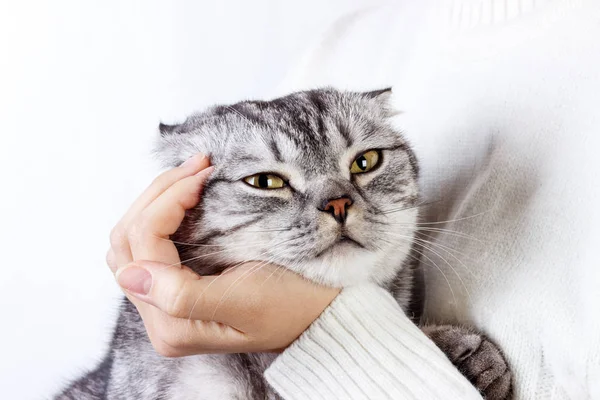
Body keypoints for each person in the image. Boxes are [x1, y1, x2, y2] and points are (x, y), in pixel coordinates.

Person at [106, 153, 481, 399]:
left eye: (363, 163)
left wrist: (337, 332)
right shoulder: (334, 43)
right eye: (267, 181)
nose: (338, 203)